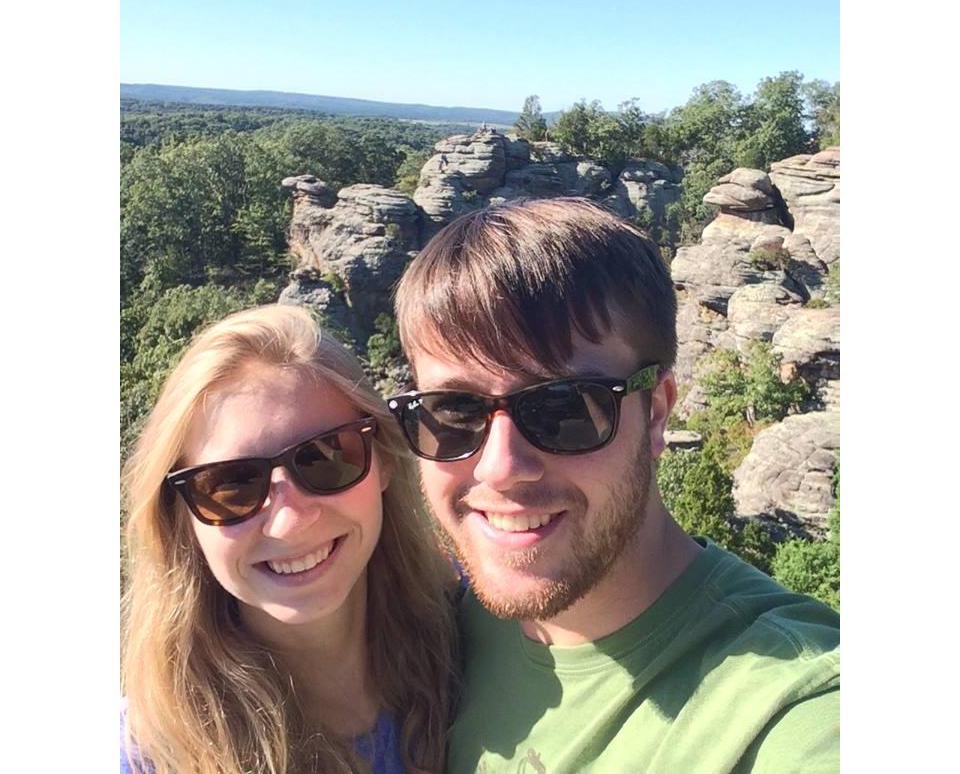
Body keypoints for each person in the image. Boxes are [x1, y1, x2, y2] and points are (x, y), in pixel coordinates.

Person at [388, 197, 840, 774]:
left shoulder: (793, 705)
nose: (499, 467)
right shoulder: (430, 626)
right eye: (454, 410)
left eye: (566, 407)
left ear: (656, 413)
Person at [121, 304, 458, 774]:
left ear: (382, 458)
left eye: (326, 458)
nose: (290, 521)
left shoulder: (480, 639)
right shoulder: (147, 756)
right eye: (231, 486)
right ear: (182, 520)